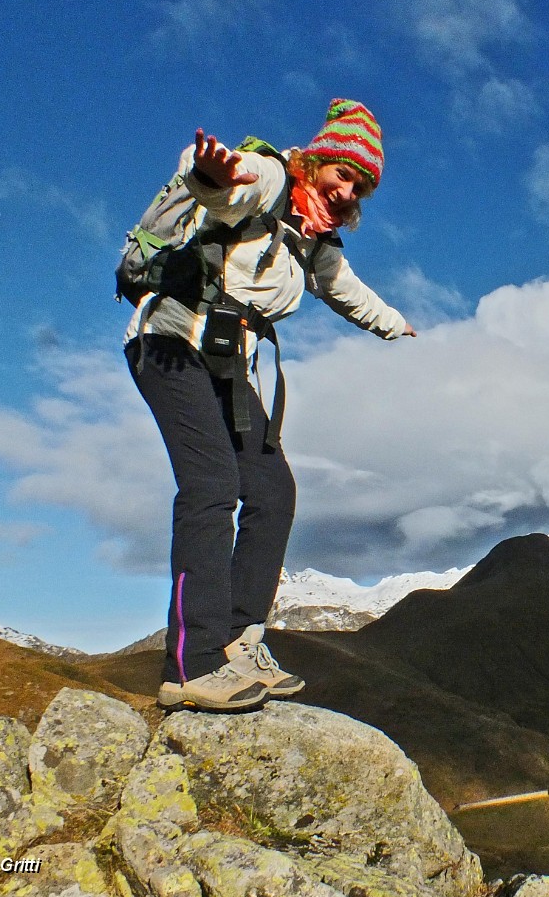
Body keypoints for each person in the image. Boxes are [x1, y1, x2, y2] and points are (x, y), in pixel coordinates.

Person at [124, 98, 415, 711]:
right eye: (343, 174)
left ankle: (238, 641)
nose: (347, 192)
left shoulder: (313, 239)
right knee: (211, 485)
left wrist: (396, 326)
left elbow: (345, 291)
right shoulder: (274, 179)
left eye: (360, 188)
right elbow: (226, 190)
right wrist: (213, 175)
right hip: (171, 344)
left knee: (273, 489)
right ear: (319, 161)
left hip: (228, 365)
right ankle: (191, 665)